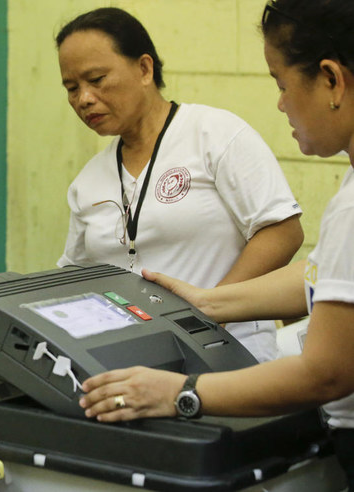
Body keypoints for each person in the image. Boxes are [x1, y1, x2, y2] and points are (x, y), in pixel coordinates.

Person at [78, 0, 354, 485]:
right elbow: (324, 274)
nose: (281, 102)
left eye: (281, 83)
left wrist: (181, 392)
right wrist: (207, 303)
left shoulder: (214, 134)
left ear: (331, 79)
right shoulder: (89, 176)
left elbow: (326, 372)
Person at [55, 7, 304, 362]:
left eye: (96, 79)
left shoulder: (215, 135)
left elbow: (282, 231)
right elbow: (74, 275)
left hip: (230, 353)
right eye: (71, 87)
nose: (84, 99)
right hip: (134, 363)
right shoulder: (88, 181)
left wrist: (208, 310)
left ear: (144, 68)